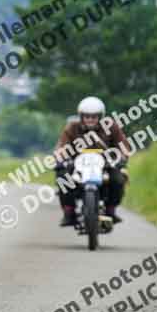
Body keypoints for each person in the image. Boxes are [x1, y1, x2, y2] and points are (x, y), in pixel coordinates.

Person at [55, 96, 129, 227]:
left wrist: (121, 157)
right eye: (87, 116)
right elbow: (62, 146)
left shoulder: (111, 126)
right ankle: (69, 213)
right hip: (77, 163)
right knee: (62, 178)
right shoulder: (72, 127)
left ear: (100, 117)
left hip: (105, 164)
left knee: (118, 180)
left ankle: (111, 210)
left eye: (94, 117)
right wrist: (60, 159)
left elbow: (123, 145)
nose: (90, 119)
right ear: (81, 116)